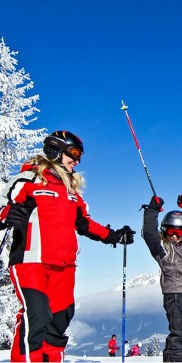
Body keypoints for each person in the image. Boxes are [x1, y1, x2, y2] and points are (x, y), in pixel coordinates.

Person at [0, 131, 135, 362]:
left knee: (60, 320)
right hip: (32, 262)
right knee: (37, 317)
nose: (77, 160)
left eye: (80, 155)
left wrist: (114, 236)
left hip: (64, 267)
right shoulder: (28, 180)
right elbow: (3, 207)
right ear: (55, 149)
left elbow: (85, 223)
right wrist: (6, 214)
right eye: (73, 153)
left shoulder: (71, 192)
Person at [142, 193, 182, 362]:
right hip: (176, 295)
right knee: (178, 337)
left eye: (178, 232)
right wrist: (152, 210)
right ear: (164, 230)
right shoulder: (161, 248)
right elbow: (148, 232)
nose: (174, 236)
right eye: (171, 231)